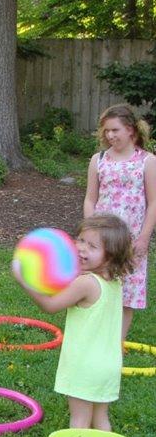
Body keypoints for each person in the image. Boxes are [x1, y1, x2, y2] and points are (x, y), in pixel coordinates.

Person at [12, 215, 134, 430]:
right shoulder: (114, 282)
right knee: (100, 417)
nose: (81, 248)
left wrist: (24, 280)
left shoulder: (85, 283)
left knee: (79, 420)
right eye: (81, 240)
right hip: (109, 364)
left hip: (85, 365)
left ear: (110, 256)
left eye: (92, 246)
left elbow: (50, 306)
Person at [84, 103, 156, 339]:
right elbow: (90, 199)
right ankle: (96, 337)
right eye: (106, 131)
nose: (110, 135)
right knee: (100, 286)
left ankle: (117, 345)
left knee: (127, 294)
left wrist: (144, 238)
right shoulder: (98, 160)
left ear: (131, 130)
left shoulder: (147, 161)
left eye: (115, 130)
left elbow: (153, 203)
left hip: (131, 239)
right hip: (103, 238)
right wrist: (90, 234)